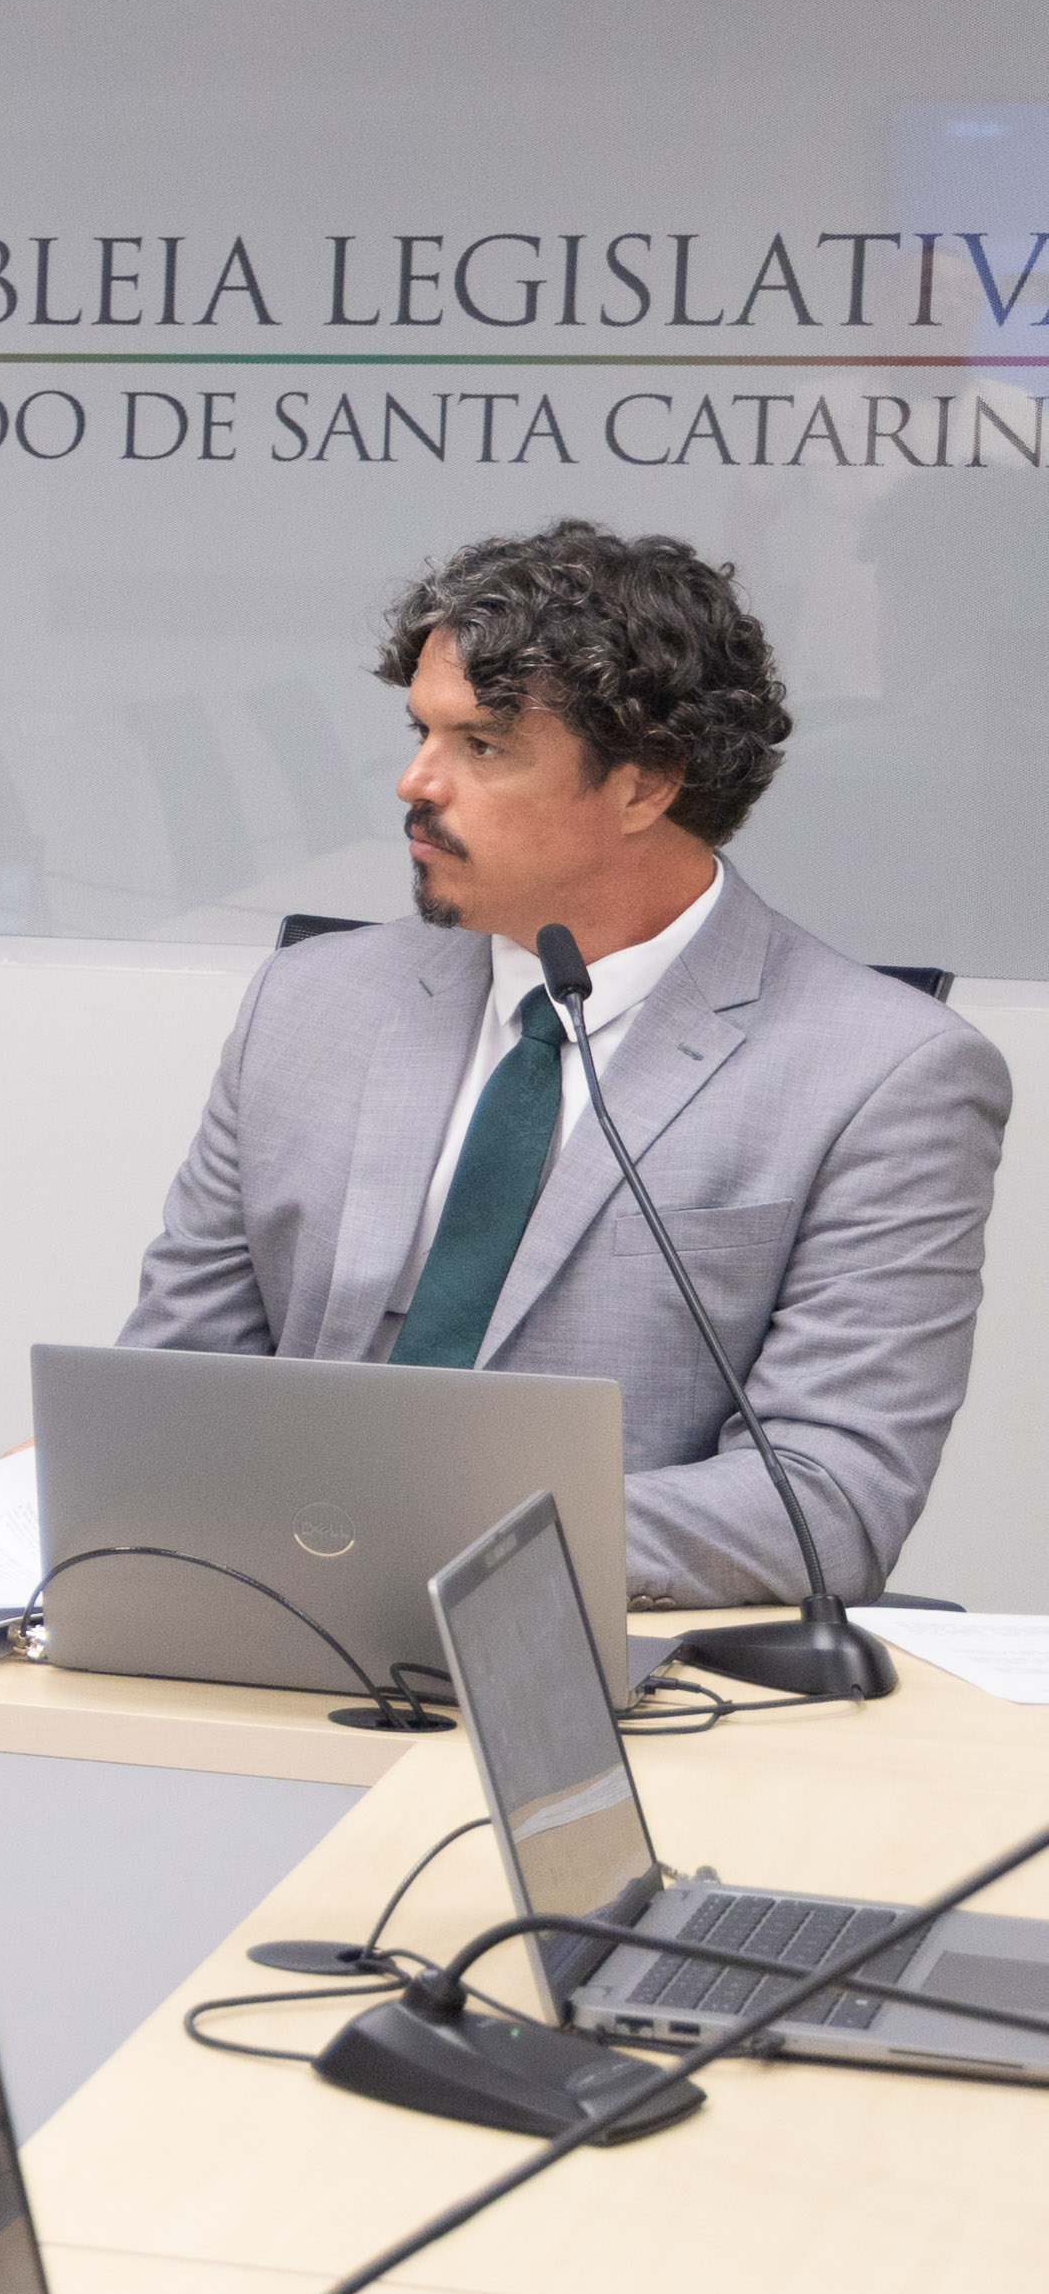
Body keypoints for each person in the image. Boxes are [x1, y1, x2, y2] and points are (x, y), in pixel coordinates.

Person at [122, 521, 1008, 1606]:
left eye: (481, 747)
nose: (413, 781)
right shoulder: (306, 1006)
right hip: (256, 1626)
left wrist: (429, 1543)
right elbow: (166, 1394)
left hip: (599, 1652)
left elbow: (825, 1499)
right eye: (421, 731)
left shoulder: (886, 1075)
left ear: (645, 786)